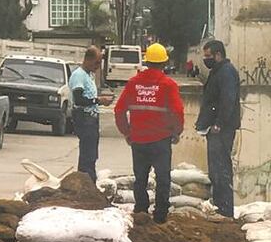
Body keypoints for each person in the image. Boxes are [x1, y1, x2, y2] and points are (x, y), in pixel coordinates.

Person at [114, 43, 184, 224]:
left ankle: (141, 211)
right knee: (162, 178)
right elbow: (178, 112)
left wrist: (126, 132)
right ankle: (160, 216)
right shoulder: (168, 84)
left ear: (147, 61)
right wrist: (176, 132)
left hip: (138, 140)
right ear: (164, 63)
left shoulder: (133, 83)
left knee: (140, 178)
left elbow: (119, 110)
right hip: (161, 141)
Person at [195, 40, 241, 219]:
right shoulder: (218, 72)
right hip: (214, 128)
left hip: (221, 130)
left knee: (221, 169)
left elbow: (227, 101)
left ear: (218, 55)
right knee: (215, 169)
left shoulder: (226, 73)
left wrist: (219, 124)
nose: (206, 60)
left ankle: (225, 209)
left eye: (208, 56)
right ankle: (219, 206)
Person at [69, 46, 111, 181]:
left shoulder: (89, 75)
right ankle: (85, 179)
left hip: (92, 119)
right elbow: (79, 99)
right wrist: (98, 100)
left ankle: (88, 178)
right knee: (87, 152)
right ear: (88, 59)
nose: (98, 66)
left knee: (92, 152)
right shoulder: (78, 75)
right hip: (84, 118)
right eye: (96, 63)